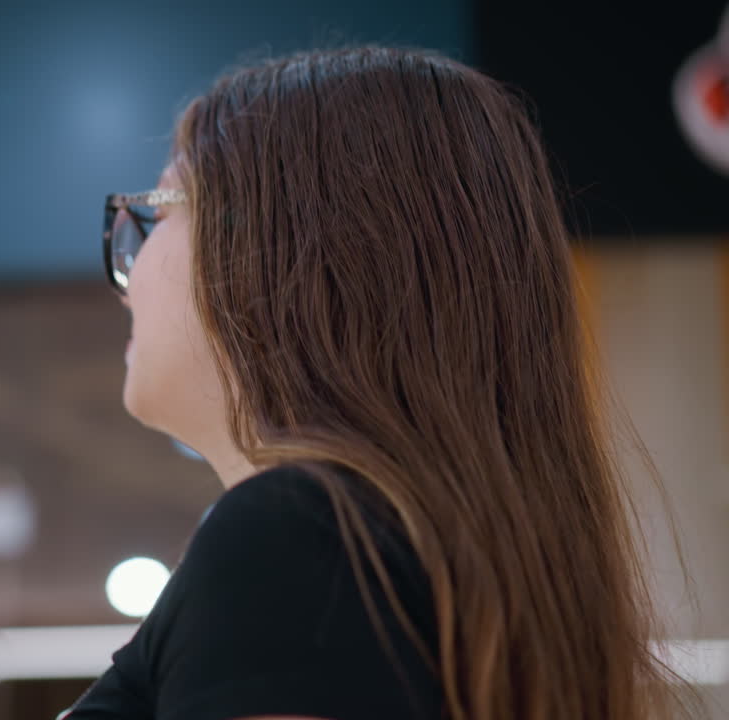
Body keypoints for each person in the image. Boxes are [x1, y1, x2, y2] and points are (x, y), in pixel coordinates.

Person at [64, 47, 701, 720]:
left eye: (159, 214)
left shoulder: (298, 540)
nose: (126, 283)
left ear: (277, 248)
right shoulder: (438, 558)